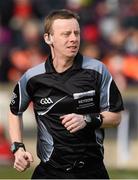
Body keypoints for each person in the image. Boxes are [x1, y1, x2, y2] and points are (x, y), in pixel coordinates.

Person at [8, 9, 124, 179]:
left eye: (76, 33)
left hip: (92, 172)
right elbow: (14, 111)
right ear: (48, 38)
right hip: (49, 173)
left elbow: (116, 117)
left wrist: (86, 120)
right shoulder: (32, 77)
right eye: (66, 34)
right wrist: (18, 148)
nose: (73, 39)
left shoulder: (97, 70)